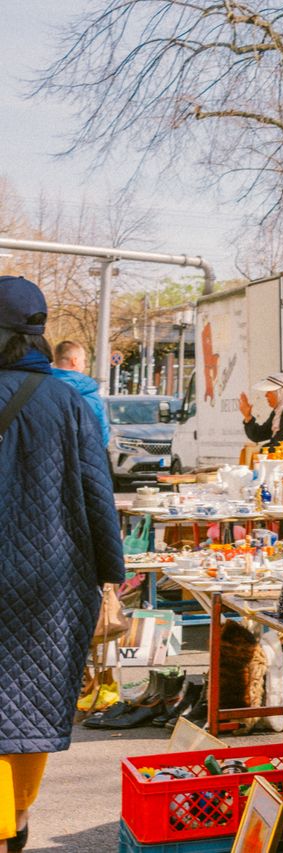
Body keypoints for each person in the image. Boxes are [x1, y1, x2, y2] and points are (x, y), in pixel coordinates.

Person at [0, 276, 125, 851]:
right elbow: (97, 492)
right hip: (51, 581)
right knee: (29, 702)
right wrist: (110, 577)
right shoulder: (68, 401)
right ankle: (17, 818)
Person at [50, 339, 109, 447]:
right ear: (74, 361)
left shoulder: (40, 388)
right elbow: (102, 436)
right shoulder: (90, 395)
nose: (85, 364)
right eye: (84, 360)